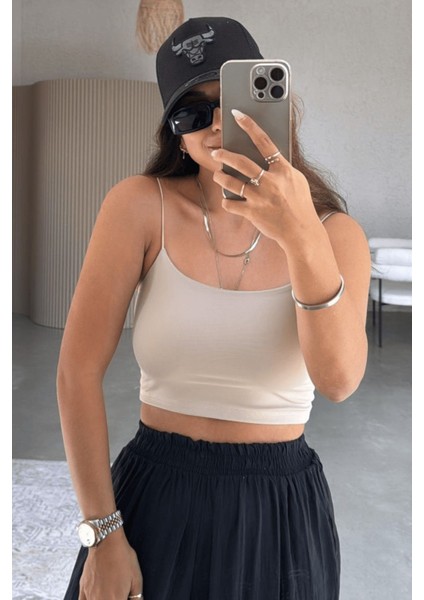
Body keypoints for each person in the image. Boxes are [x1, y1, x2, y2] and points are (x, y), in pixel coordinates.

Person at [57, 16, 370, 600]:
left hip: (279, 513)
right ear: (175, 134)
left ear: (275, 104)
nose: (218, 122)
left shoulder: (335, 234)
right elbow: (76, 373)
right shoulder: (138, 206)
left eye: (233, 99)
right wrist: (102, 533)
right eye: (192, 112)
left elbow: (339, 381)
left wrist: (300, 235)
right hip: (154, 496)